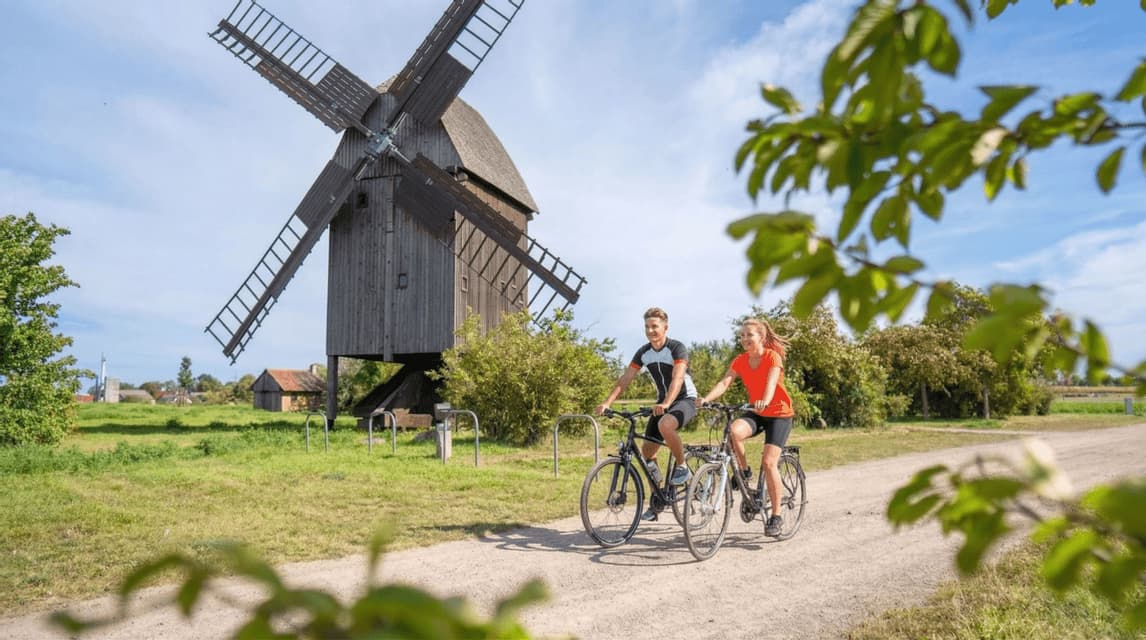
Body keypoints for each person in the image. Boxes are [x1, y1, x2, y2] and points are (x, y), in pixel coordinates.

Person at [595, 307, 698, 520]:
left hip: (684, 399)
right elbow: (626, 379)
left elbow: (678, 379)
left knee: (665, 425)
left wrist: (668, 402)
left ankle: (682, 466)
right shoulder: (644, 352)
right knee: (648, 453)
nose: (650, 331)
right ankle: (657, 499)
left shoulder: (676, 348)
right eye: (647, 327)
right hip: (662, 403)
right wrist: (607, 402)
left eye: (655, 326)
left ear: (665, 328)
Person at [696, 317, 794, 537]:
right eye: (742, 335)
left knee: (769, 463)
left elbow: (770, 383)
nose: (744, 339)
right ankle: (744, 471)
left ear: (761, 337)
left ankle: (776, 516)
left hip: (779, 413)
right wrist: (706, 399)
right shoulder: (740, 360)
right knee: (733, 431)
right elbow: (725, 382)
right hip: (757, 412)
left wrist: (766, 400)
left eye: (749, 334)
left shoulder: (772, 357)